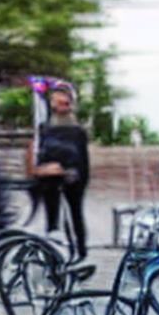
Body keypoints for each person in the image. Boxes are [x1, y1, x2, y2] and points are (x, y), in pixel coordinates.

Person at [27, 80, 90, 261]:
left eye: (65, 102)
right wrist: (42, 170)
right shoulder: (45, 128)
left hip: (72, 179)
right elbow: (39, 155)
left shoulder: (78, 131)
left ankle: (80, 252)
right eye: (56, 101)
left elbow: (82, 162)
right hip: (49, 180)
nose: (60, 105)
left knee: (75, 215)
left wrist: (73, 175)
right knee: (52, 217)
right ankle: (53, 253)